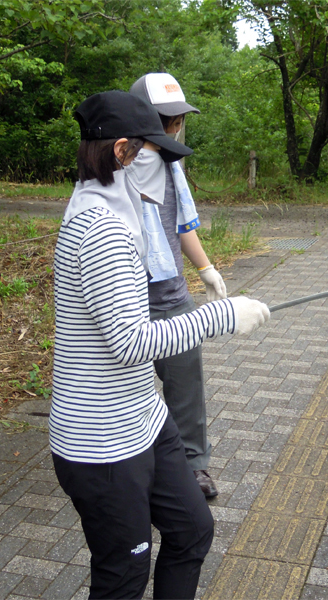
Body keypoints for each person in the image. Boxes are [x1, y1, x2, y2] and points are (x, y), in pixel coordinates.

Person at [50, 90, 269, 599]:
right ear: (124, 152)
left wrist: (208, 275)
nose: (165, 161)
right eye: (155, 150)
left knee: (192, 529)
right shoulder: (100, 226)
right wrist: (220, 316)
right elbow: (130, 342)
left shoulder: (119, 207)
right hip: (101, 444)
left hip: (144, 420)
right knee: (124, 575)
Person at [127, 72, 225, 498]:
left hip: (171, 296)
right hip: (125, 303)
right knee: (126, 393)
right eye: (165, 120)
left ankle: (194, 465)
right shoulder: (116, 166)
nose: (173, 127)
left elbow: (180, 226)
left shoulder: (173, 162)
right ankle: (134, 464)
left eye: (178, 119)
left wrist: (206, 269)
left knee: (187, 390)